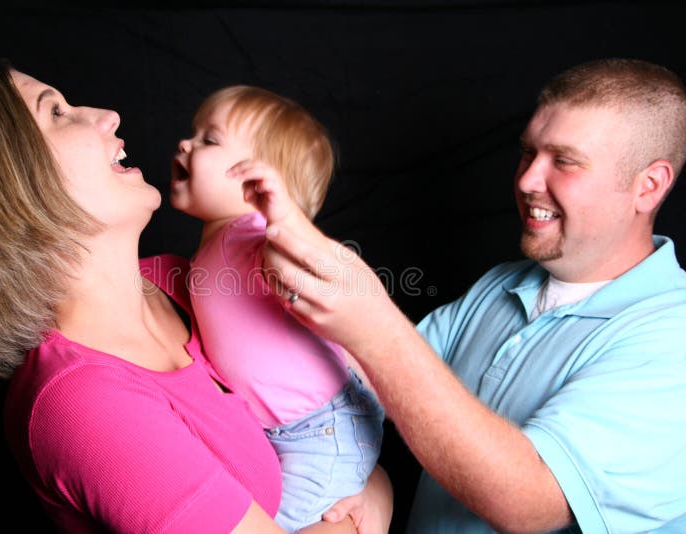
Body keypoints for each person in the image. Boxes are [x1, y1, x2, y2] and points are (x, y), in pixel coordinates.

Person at [0, 56, 393, 533]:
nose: (107, 116)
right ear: (2, 190)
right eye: (57, 113)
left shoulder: (180, 281)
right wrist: (366, 501)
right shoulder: (80, 405)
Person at [234, 57, 686, 532]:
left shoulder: (671, 338)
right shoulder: (501, 287)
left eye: (564, 161)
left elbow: (529, 501)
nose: (528, 180)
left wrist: (373, 324)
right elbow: (372, 385)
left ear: (648, 186)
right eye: (528, 153)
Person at [170, 85, 385, 533]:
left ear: (259, 185)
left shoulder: (254, 237)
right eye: (195, 133)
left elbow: (303, 262)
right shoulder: (214, 246)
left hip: (321, 432)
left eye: (210, 140)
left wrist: (283, 221)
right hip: (290, 430)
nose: (186, 144)